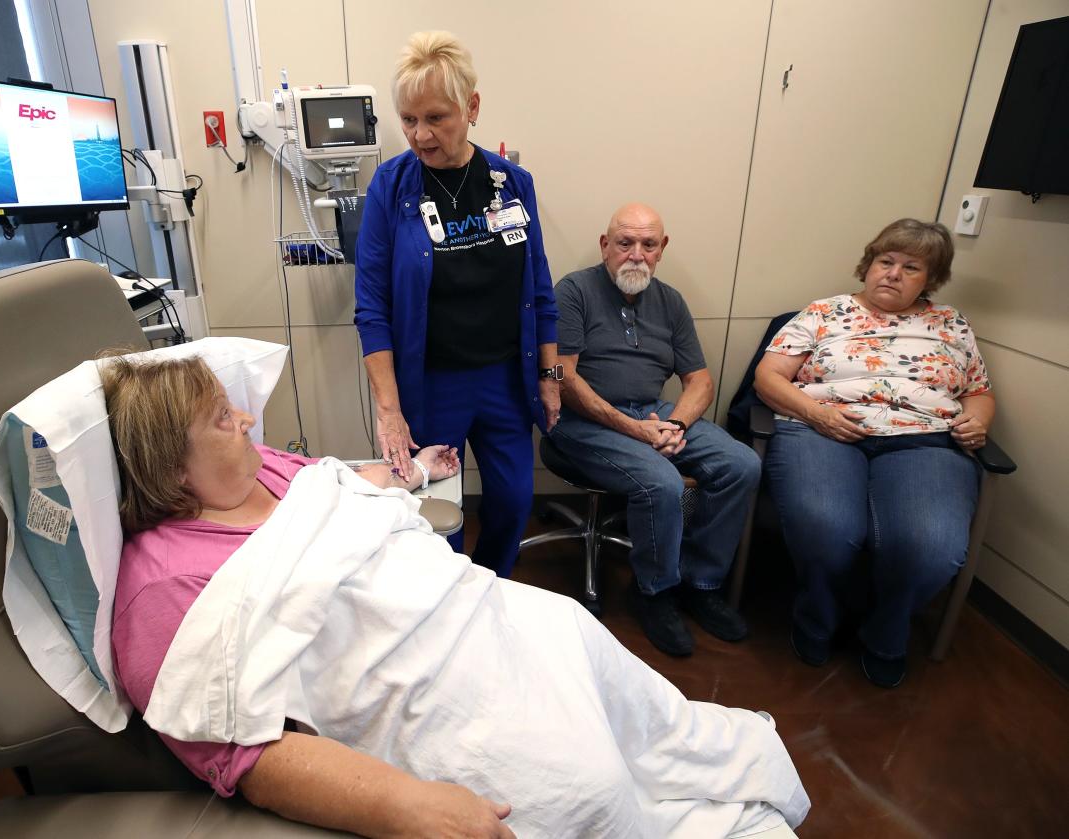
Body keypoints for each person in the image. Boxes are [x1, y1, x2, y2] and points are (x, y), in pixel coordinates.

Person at [103, 354, 809, 839]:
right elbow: (244, 754)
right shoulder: (164, 585)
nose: (249, 423)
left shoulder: (268, 473)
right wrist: (408, 804)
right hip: (423, 684)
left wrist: (409, 472)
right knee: (585, 784)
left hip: (486, 612)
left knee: (648, 712)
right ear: (173, 466)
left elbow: (338, 486)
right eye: (224, 421)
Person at [754, 218, 994, 689]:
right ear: (868, 265)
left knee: (932, 548)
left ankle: (887, 631)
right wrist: (817, 414)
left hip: (925, 441)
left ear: (931, 280)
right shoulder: (825, 312)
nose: (893, 273)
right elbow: (769, 378)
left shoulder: (951, 324)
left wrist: (978, 420)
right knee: (826, 530)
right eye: (885, 261)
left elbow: (979, 392)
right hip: (824, 429)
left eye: (911, 267)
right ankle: (816, 620)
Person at [354, 30, 559, 577]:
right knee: (436, 514)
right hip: (432, 382)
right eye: (408, 119)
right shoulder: (390, 187)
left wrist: (549, 372)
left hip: (502, 380)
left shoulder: (511, 183)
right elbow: (371, 307)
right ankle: (443, 605)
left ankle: (490, 589)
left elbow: (538, 285)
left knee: (515, 500)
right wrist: (390, 411)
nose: (420, 135)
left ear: (471, 107)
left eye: (436, 118)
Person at [550, 203, 759, 658]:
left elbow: (699, 381)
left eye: (648, 244)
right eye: (625, 243)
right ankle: (656, 592)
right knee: (662, 483)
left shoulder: (670, 301)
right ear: (606, 245)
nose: (636, 255)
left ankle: (701, 583)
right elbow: (563, 379)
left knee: (742, 464)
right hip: (583, 421)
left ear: (662, 249)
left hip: (654, 411)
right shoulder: (574, 291)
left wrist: (675, 424)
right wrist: (636, 431)